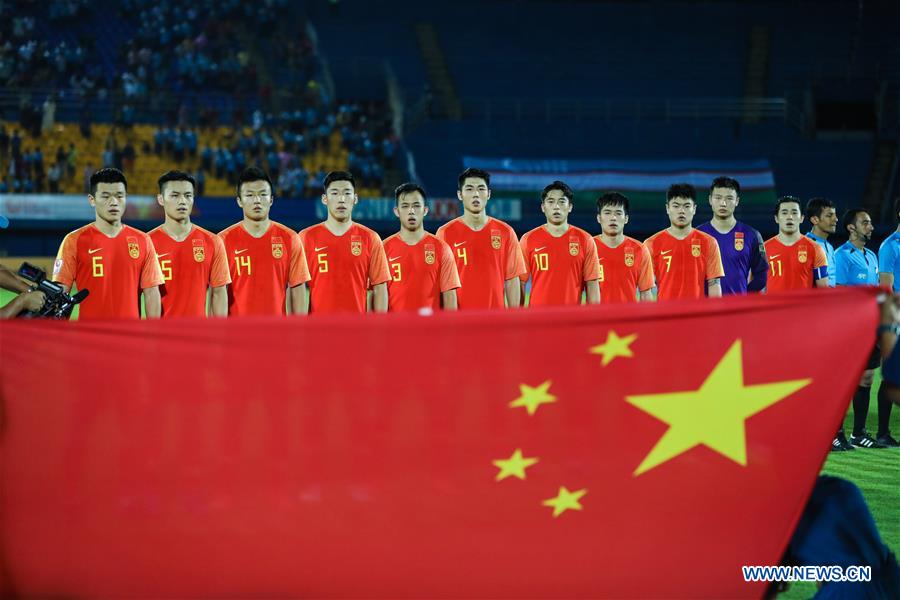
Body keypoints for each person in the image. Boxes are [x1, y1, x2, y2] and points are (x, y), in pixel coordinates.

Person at [52, 168, 163, 319]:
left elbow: (151, 292)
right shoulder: (74, 240)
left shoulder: (143, 240)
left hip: (130, 338)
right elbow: (60, 293)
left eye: (119, 196)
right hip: (90, 337)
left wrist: (153, 334)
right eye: (105, 196)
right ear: (92, 200)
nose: (114, 202)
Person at [835, 209, 893, 448]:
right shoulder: (841, 256)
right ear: (851, 227)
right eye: (865, 223)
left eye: (870, 223)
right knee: (843, 381)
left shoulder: (871, 255)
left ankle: (858, 434)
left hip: (871, 327)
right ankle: (835, 433)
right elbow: (838, 293)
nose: (871, 227)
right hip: (850, 328)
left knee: (867, 378)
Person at [218, 167, 310, 316]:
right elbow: (217, 292)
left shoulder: (290, 238)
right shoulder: (222, 241)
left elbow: (298, 288)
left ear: (271, 200)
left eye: (262, 194)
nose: (257, 200)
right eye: (249, 195)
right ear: (239, 201)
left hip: (276, 334)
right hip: (236, 335)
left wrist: (298, 332)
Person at [298, 170, 391, 314]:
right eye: (334, 193)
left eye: (347, 193)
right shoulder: (305, 237)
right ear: (325, 199)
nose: (341, 199)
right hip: (317, 331)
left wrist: (378, 327)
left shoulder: (370, 238)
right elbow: (297, 287)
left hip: (357, 331)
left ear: (355, 198)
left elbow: (379, 286)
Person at [436, 168, 526, 309]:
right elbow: (442, 284)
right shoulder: (445, 233)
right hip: (460, 322)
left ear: (488, 194)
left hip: (495, 322)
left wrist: (514, 319)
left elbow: (512, 278)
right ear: (460, 195)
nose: (476, 194)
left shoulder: (506, 232)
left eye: (481, 189)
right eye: (470, 189)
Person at [148, 171, 231, 318]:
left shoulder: (212, 242)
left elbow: (218, 293)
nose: (182, 201)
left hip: (198, 336)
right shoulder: (147, 243)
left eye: (188, 195)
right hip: (161, 336)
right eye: (175, 196)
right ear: (161, 199)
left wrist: (220, 332)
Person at [519, 180, 600, 307]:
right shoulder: (528, 239)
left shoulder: (585, 240)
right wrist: (518, 318)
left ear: (570, 207)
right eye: (551, 202)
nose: (556, 206)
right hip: (538, 319)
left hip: (572, 320)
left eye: (561, 202)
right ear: (543, 207)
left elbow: (592, 283)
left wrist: (593, 320)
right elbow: (520, 282)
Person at [382, 182, 460, 312]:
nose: (411, 211)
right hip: (395, 330)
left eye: (416, 206)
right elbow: (375, 295)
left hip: (430, 330)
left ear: (425, 210)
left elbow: (450, 296)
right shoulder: (383, 249)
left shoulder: (441, 248)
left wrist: (449, 330)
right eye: (405, 206)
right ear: (397, 211)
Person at [644, 183, 724, 300]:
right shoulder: (651, 244)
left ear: (694, 209)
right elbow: (646, 289)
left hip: (697, 315)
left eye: (687, 206)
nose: (681, 211)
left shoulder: (709, 243)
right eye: (676, 206)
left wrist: (715, 316)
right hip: (665, 315)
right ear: (667, 208)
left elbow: (714, 284)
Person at [696, 177, 768, 295]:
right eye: (718, 198)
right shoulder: (697, 235)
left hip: (737, 311)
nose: (723, 203)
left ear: (737, 201)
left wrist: (744, 296)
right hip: (704, 309)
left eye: (729, 198)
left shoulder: (752, 235)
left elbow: (762, 274)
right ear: (710, 200)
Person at [593, 192, 654, 303]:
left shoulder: (640, 250)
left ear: (626, 219)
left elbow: (645, 294)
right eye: (607, 213)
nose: (613, 218)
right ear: (599, 218)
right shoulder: (588, 247)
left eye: (618, 213)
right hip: (597, 319)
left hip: (629, 319)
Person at [763, 196, 829, 294]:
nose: (790, 217)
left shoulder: (815, 249)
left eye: (794, 213)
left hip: (802, 309)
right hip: (773, 308)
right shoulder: (763, 249)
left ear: (801, 218)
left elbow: (823, 292)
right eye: (784, 213)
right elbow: (757, 288)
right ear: (776, 218)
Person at [805, 197, 838, 287]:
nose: (836, 219)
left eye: (835, 215)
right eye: (829, 215)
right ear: (815, 220)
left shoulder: (829, 247)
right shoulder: (805, 246)